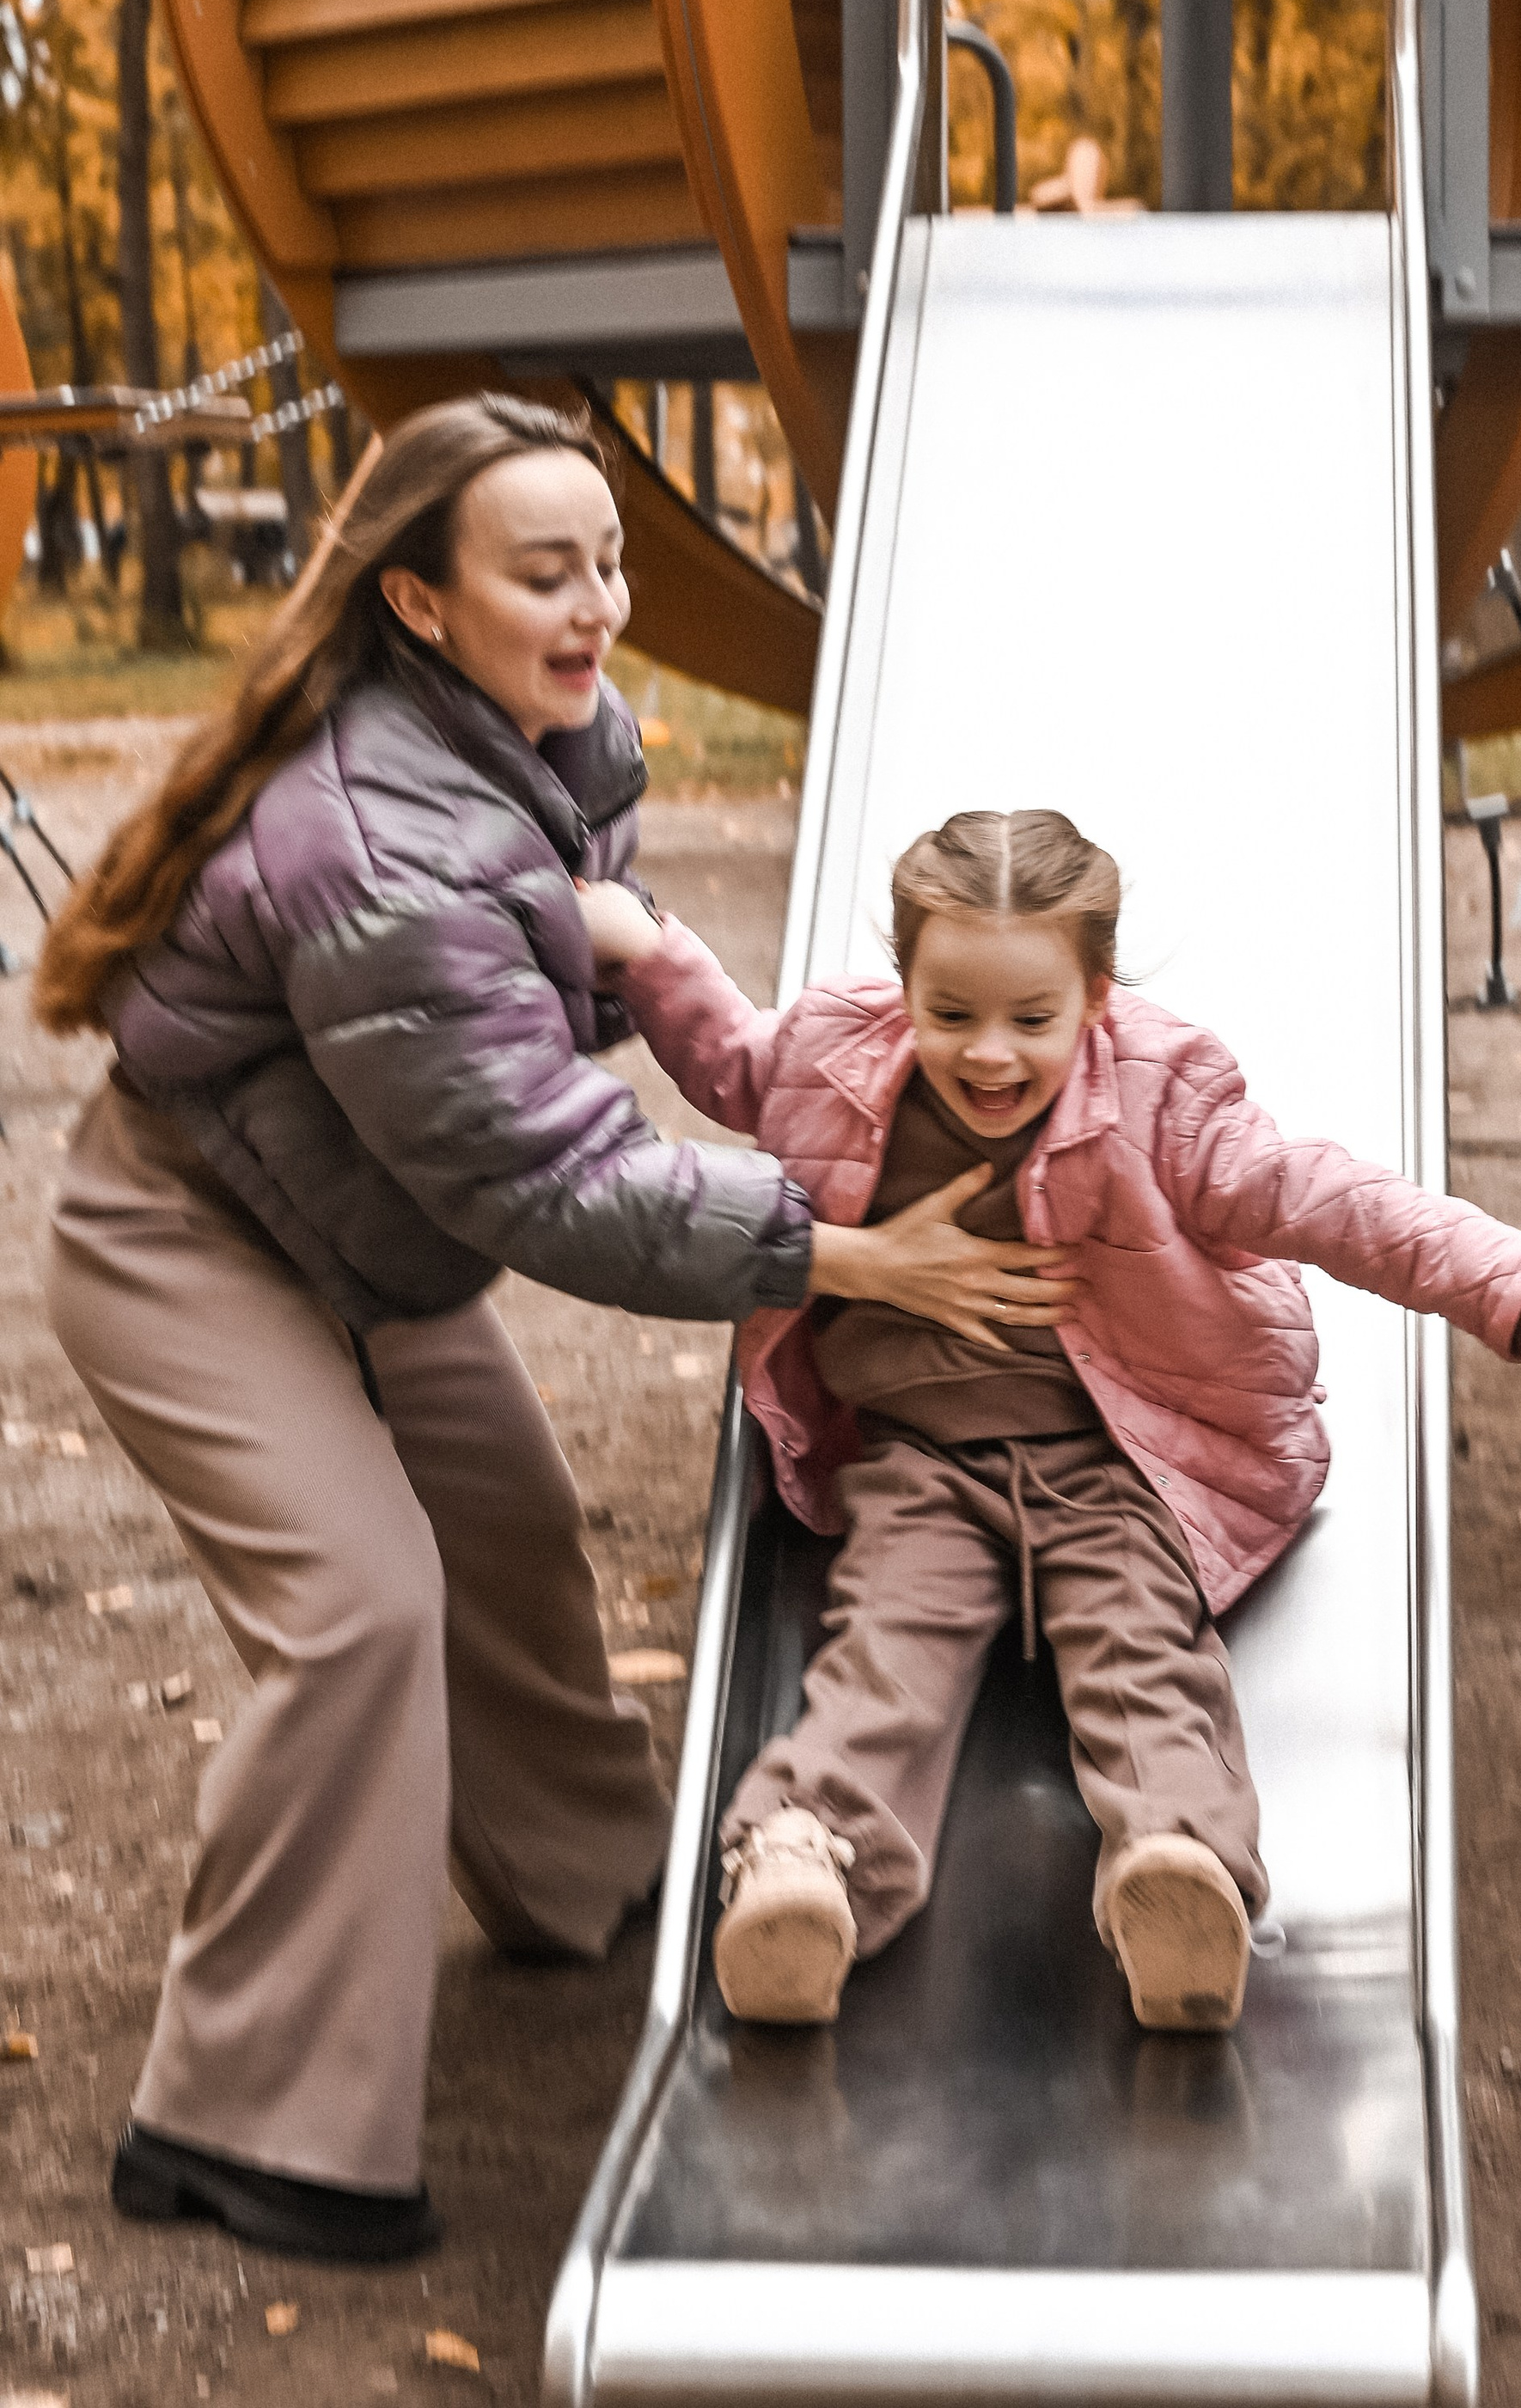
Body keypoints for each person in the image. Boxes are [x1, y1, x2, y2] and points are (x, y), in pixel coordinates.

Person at [34, 398, 1075, 2265]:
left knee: (505, 1538)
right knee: (359, 1610)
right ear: (422, 605)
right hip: (189, 1240)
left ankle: (586, 1883)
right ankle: (242, 2123)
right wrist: (833, 1249)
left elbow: (519, 1035)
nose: (596, 601)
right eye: (545, 570)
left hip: (364, 1229)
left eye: (608, 559)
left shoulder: (546, 741)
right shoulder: (381, 843)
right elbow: (550, 1178)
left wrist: (648, 953)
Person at [576, 806, 1521, 2038]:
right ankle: (806, 1865)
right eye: (952, 1015)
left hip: (1122, 1457)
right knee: (886, 1646)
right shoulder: (836, 1054)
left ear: (1096, 992)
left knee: (1142, 1651)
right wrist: (644, 942)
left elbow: (1323, 1195)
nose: (989, 1054)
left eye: (1031, 1020)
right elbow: (731, 1056)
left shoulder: (1161, 1098)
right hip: (920, 1462)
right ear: (905, 987)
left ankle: (1176, 1871)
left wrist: (1512, 1278)